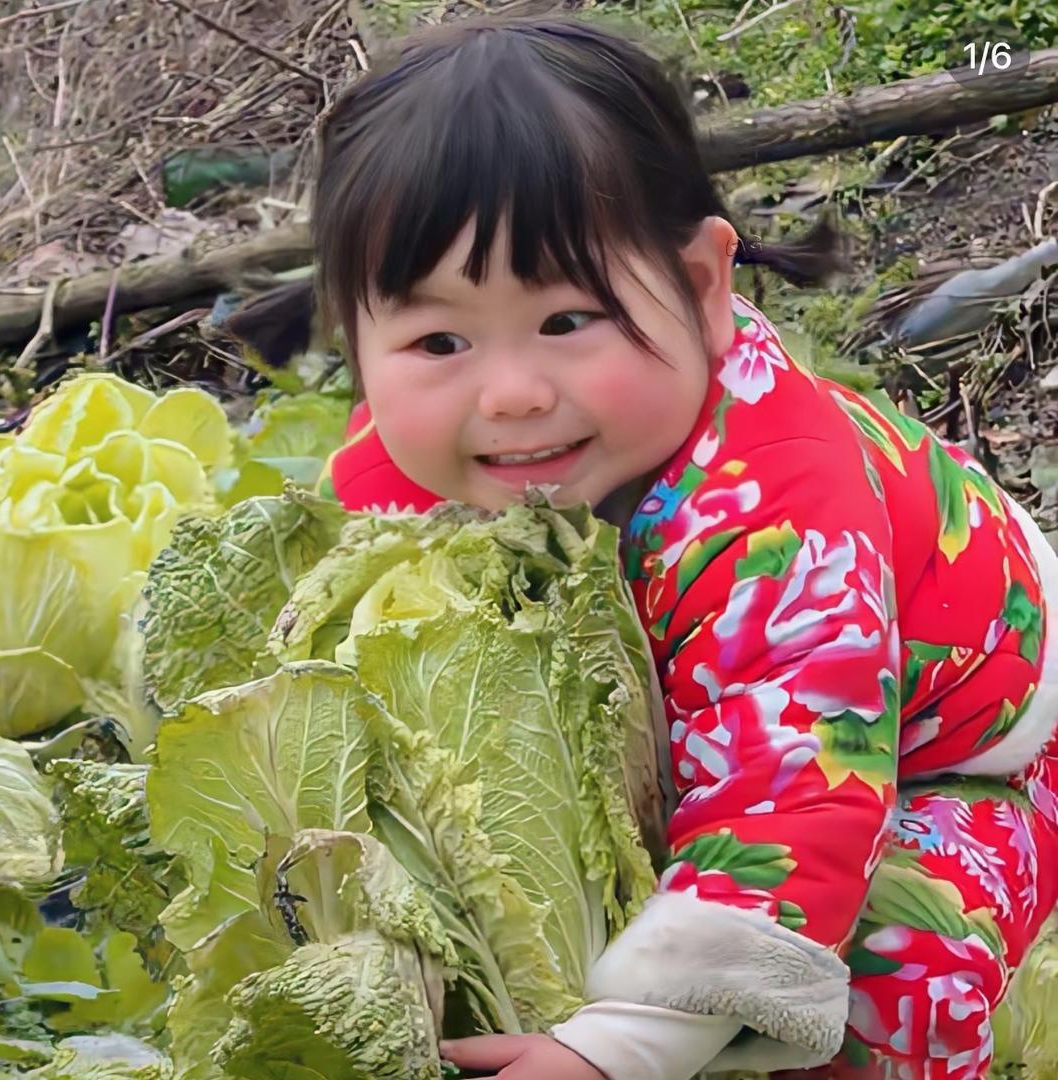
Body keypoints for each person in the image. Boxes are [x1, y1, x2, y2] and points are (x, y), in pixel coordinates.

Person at [298, 14, 1058, 1079]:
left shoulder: (775, 518)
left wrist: (621, 1050)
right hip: (743, 711)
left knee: (894, 966)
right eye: (438, 341)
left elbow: (793, 802)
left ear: (702, 289)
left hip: (957, 744)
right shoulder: (404, 464)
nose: (511, 394)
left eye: (568, 321)